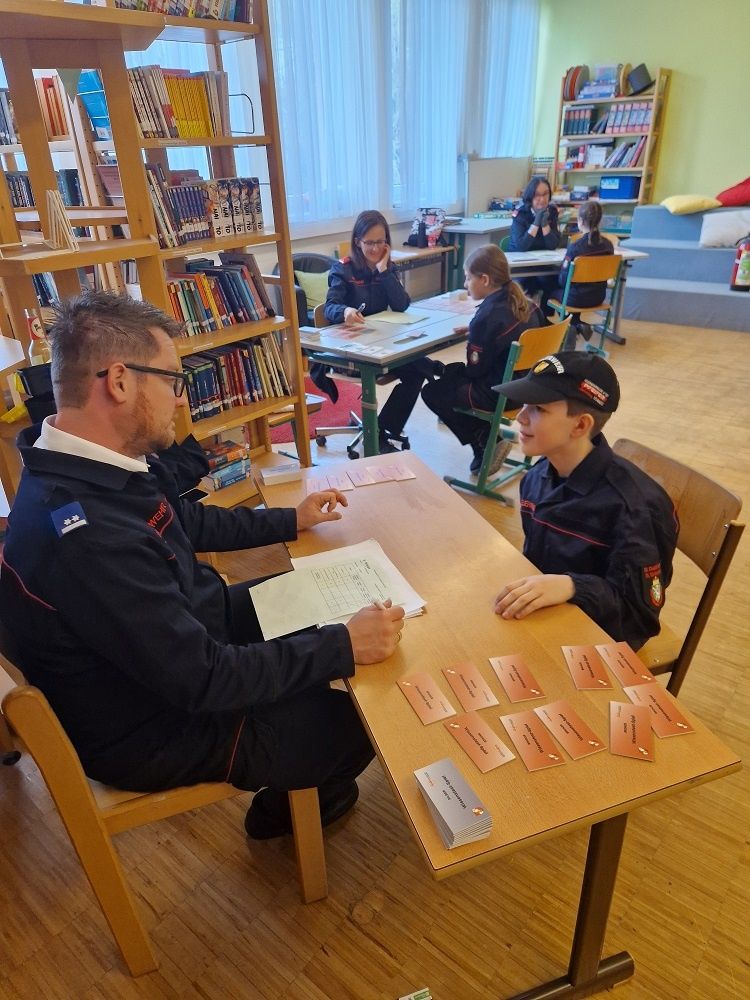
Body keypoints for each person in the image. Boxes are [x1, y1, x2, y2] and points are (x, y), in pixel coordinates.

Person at [0, 291, 405, 841]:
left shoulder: (88, 465)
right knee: (364, 723)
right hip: (154, 727)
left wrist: (289, 520)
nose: (181, 400)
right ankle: (279, 814)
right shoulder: (88, 537)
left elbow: (182, 521)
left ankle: (306, 741)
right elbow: (203, 680)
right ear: (119, 381)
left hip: (180, 645)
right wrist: (342, 646)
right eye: (172, 380)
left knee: (312, 595)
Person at [491, 352, 678, 650]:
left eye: (538, 408)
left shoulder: (634, 509)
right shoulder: (537, 477)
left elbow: (638, 618)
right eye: (524, 405)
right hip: (544, 618)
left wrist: (573, 586)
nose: (521, 417)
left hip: (597, 638)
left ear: (580, 426)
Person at [323, 209, 441, 453]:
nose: (375, 248)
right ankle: (432, 367)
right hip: (350, 351)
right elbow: (330, 307)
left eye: (380, 242)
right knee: (417, 366)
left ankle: (380, 431)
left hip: (381, 345)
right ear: (357, 241)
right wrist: (345, 311)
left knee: (413, 374)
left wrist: (384, 270)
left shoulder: (386, 267)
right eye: (369, 243)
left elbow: (401, 304)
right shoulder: (342, 270)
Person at [421, 245, 545, 475]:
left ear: (485, 279)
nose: (466, 284)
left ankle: (486, 439)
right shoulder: (527, 303)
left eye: (468, 278)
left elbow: (476, 371)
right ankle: (488, 434)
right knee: (449, 375)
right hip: (528, 387)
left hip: (500, 393)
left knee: (433, 391)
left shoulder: (485, 318)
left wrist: (453, 371)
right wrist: (475, 334)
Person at [553, 200, 615, 348]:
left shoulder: (575, 248)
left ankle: (559, 332)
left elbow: (563, 281)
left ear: (580, 221)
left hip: (576, 299)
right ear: (599, 221)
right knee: (573, 292)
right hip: (599, 297)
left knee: (551, 291)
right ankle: (577, 325)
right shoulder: (608, 246)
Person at [508, 176, 561, 311]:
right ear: (530, 196)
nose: (542, 199)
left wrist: (544, 224)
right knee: (522, 286)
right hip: (520, 267)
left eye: (545, 194)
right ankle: (525, 322)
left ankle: (544, 320)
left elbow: (553, 244)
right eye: (537, 195)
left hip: (542, 265)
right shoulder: (520, 214)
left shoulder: (552, 212)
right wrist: (535, 223)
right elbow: (522, 246)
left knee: (555, 282)